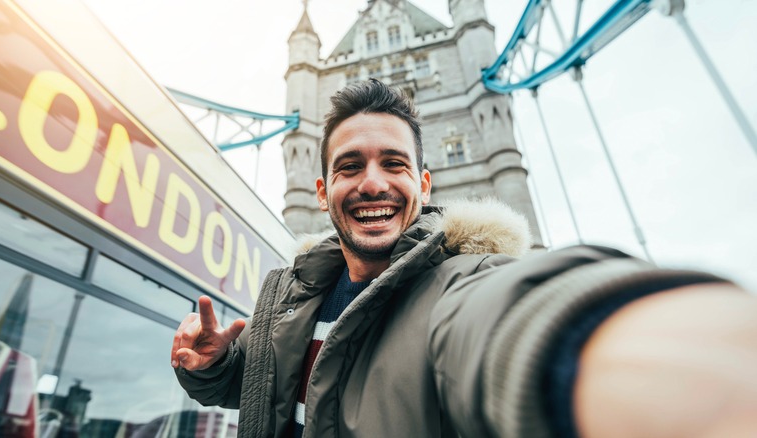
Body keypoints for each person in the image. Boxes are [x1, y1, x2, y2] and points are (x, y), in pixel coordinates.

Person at [172, 79, 757, 438]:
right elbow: (272, 392)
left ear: (424, 185)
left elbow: (506, 324)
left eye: (394, 164)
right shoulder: (287, 295)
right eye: (350, 166)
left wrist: (611, 345)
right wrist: (214, 370)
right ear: (322, 191)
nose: (372, 183)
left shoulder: (463, 283)